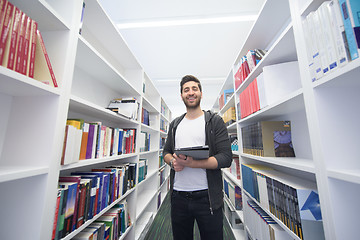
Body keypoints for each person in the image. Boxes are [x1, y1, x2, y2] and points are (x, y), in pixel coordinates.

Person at [163, 75, 232, 240]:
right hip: (178, 197)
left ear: (201, 93)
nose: (190, 92)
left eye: (194, 89)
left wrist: (193, 163)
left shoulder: (214, 122)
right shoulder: (175, 124)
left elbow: (225, 158)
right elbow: (165, 152)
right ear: (181, 96)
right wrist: (172, 162)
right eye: (186, 90)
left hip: (207, 198)